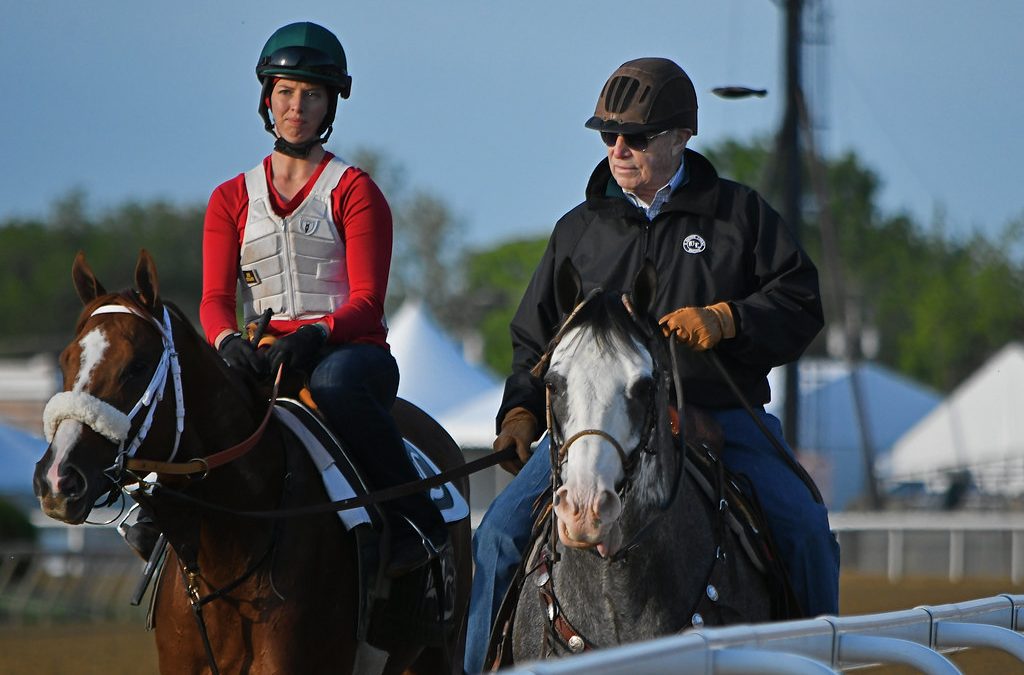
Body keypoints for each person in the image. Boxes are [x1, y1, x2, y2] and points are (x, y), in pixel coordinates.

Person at [464, 57, 840, 673]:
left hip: (721, 413)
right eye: (607, 136)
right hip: (593, 429)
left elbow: (801, 302)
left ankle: (820, 662)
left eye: (634, 138)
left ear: (680, 137)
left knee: (803, 527)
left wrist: (730, 321)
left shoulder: (738, 215)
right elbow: (534, 340)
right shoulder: (577, 232)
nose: (617, 149)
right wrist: (522, 409)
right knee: (499, 536)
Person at [194, 21, 447, 578]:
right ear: (267, 98)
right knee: (192, 391)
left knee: (332, 384)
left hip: (348, 354)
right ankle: (154, 517)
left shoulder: (356, 191)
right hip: (262, 354)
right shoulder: (229, 199)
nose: (297, 106)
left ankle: (414, 517)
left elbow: (367, 302)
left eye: (312, 94)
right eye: (285, 91)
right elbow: (214, 298)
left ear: (331, 104)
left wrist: (315, 334)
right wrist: (226, 340)